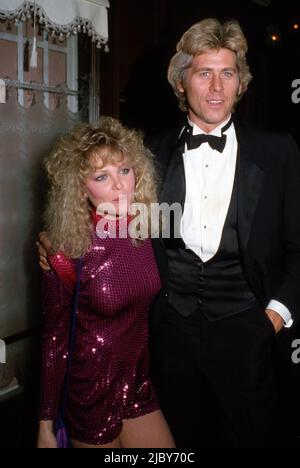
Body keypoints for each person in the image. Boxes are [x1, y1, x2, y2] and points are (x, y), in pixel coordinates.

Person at [146, 18, 300, 448]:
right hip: (170, 337)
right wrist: (59, 246)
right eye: (204, 73)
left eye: (227, 73)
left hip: (248, 333)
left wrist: (271, 319)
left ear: (240, 83)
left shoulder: (278, 151)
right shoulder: (147, 153)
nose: (217, 87)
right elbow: (116, 228)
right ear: (181, 82)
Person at [37, 116, 175, 449]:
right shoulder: (66, 248)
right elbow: (55, 340)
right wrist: (44, 427)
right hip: (90, 391)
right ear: (79, 188)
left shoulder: (149, 228)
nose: (119, 186)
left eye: (124, 171)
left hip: (139, 383)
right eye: (102, 176)